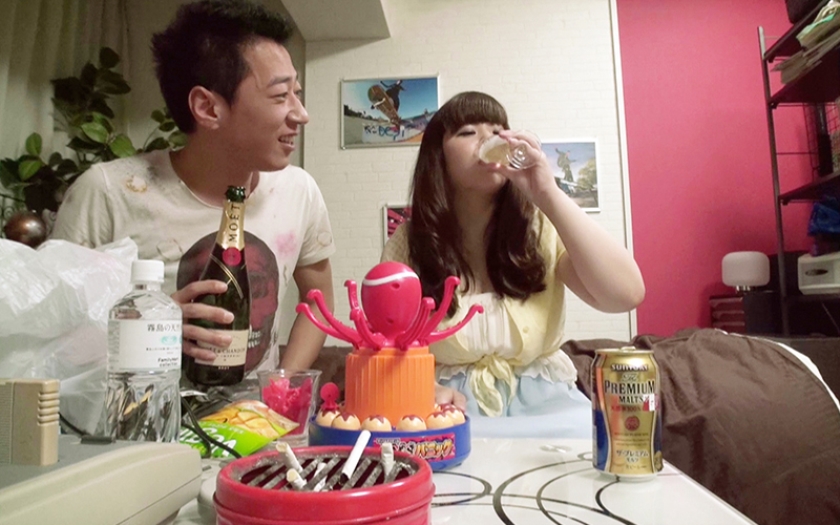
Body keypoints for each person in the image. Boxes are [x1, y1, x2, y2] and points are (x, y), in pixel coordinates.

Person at [51, 0, 335, 377]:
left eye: (296, 93)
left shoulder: (299, 191)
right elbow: (51, 336)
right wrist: (151, 328)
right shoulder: (107, 194)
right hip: (141, 413)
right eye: (281, 96)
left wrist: (280, 385)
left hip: (254, 415)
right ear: (208, 108)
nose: (301, 114)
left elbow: (318, 301)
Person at [381, 91, 645, 422]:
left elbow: (626, 295)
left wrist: (547, 194)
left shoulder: (540, 228)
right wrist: (419, 386)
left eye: (497, 130)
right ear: (438, 156)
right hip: (448, 411)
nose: (489, 139)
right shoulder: (408, 244)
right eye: (468, 131)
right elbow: (382, 346)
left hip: (549, 409)